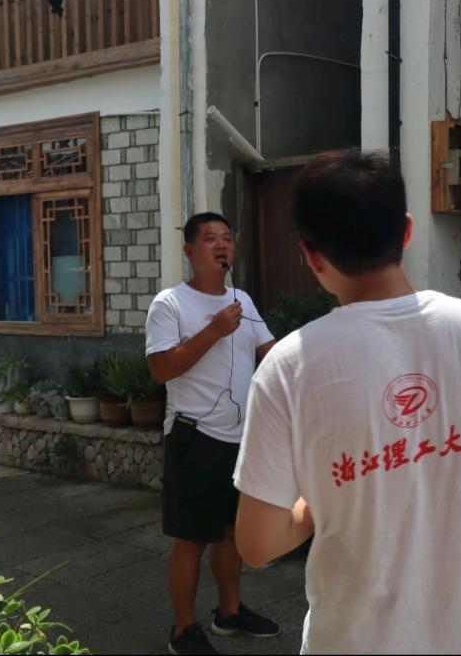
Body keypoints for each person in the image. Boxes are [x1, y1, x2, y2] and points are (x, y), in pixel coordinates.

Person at [231, 150, 461, 654]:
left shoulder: (289, 367)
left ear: (311, 255)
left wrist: (319, 500)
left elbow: (257, 545)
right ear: (407, 231)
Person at [145, 212, 279, 656]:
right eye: (209, 239)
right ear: (189, 251)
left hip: (241, 437)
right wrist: (214, 330)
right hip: (195, 435)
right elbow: (161, 369)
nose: (221, 245)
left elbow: (271, 354)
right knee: (192, 538)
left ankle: (229, 612)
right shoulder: (170, 303)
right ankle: (184, 630)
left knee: (232, 532)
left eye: (226, 238)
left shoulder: (242, 300)